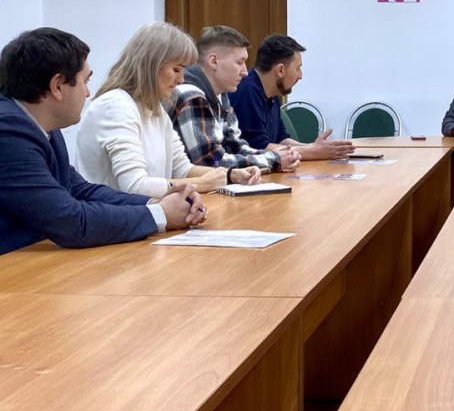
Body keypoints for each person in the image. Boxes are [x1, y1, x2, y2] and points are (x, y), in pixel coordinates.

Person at [0, 27, 205, 256]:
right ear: (58, 86)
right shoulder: (8, 131)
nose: (88, 93)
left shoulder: (41, 126)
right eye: (85, 82)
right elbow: (70, 222)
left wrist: (154, 203)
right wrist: (161, 214)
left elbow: (79, 190)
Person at [78, 22, 261, 197]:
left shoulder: (155, 109)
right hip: (111, 216)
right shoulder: (115, 106)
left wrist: (232, 174)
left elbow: (183, 169)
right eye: (176, 69)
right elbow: (136, 186)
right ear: (152, 65)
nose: (181, 79)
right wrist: (202, 184)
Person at [165, 26, 301, 173]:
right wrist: (273, 160)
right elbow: (212, 162)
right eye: (239, 62)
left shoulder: (221, 95)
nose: (245, 72)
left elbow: (235, 146)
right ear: (214, 61)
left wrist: (276, 157)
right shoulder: (191, 95)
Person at [229, 34, 353, 160]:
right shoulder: (246, 90)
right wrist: (313, 151)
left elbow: (281, 139)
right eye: (298, 68)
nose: (300, 76)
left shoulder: (272, 92)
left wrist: (316, 148)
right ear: (280, 70)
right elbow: (258, 148)